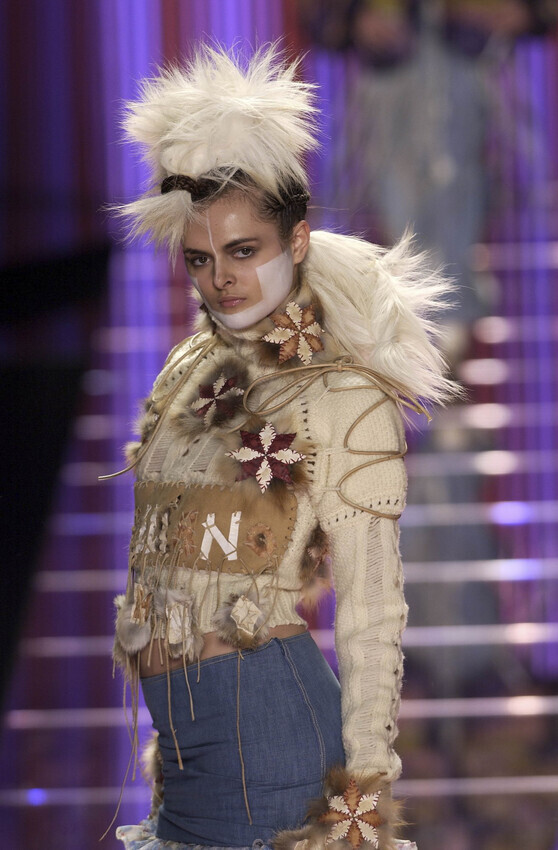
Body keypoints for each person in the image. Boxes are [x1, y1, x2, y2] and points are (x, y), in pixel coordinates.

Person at [107, 45, 453, 850]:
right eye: (200, 259)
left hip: (269, 739)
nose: (220, 278)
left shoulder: (345, 396)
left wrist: (364, 794)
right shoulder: (188, 368)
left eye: (244, 250)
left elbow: (371, 610)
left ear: (296, 242)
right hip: (185, 750)